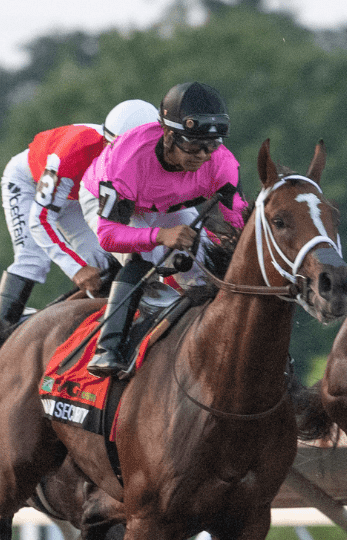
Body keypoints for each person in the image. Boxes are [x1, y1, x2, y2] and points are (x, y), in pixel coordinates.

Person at [81, 81, 249, 378]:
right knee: (141, 258)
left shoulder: (220, 162)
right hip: (114, 203)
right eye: (194, 144)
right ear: (169, 134)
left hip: (166, 202)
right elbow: (109, 236)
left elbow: (238, 221)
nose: (203, 155)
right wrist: (160, 236)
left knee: (201, 263)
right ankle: (108, 349)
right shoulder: (126, 161)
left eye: (211, 145)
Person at [0, 99, 159, 332]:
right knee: (33, 260)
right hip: (29, 182)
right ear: (111, 142)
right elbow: (40, 220)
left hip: (78, 195)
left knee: (101, 261)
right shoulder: (73, 152)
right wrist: (75, 269)